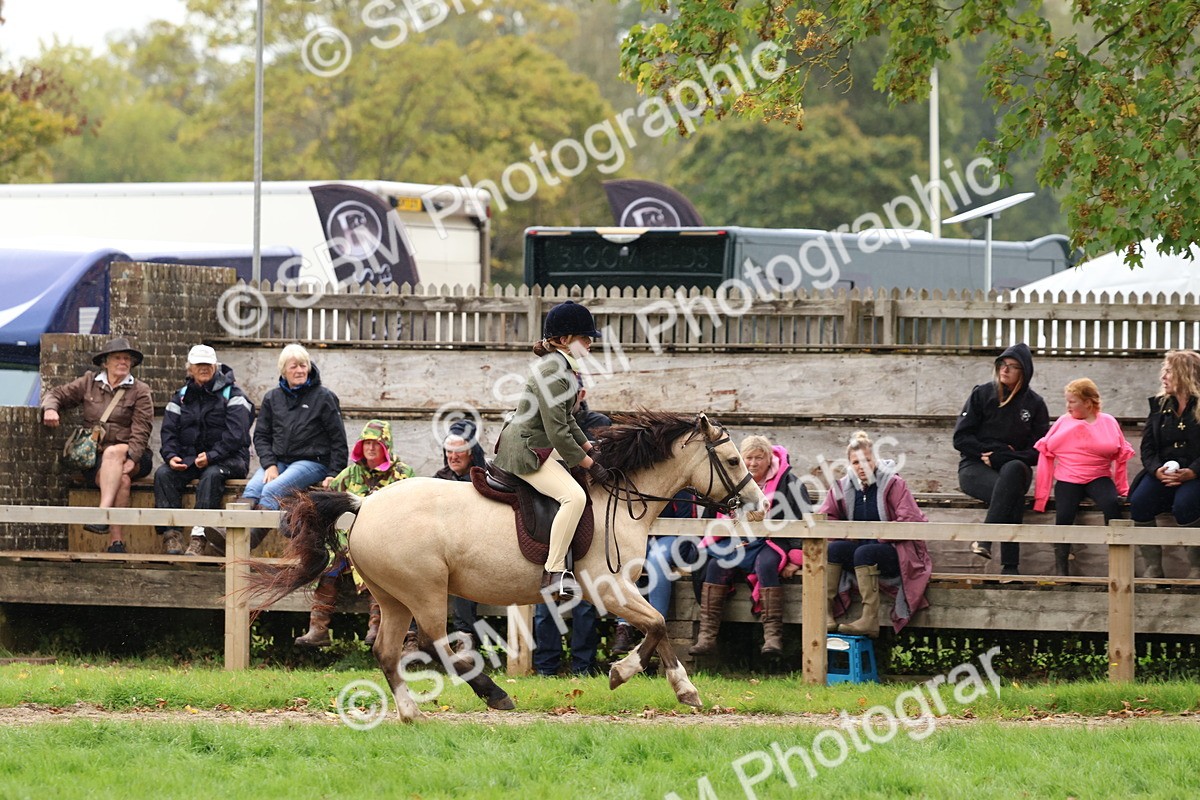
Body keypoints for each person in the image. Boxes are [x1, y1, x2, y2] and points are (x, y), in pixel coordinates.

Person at [493, 300, 609, 600]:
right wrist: (588, 463)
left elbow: (568, 418)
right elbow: (557, 432)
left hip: (539, 441)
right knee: (574, 496)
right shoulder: (554, 372)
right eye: (585, 338)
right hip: (527, 448)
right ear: (564, 340)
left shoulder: (562, 368)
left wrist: (589, 447)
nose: (591, 343)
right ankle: (555, 571)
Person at [295, 419, 414, 647]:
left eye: (376, 444)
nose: (370, 448)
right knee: (329, 566)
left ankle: (377, 627)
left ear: (386, 446)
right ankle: (318, 629)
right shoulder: (349, 475)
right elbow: (326, 503)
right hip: (346, 544)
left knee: (378, 570)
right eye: (366, 443)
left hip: (387, 544)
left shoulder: (403, 474)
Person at [691, 435, 811, 656]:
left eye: (759, 458)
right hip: (737, 541)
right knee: (716, 566)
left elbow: (803, 518)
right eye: (749, 458)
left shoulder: (789, 482)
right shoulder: (733, 479)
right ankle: (707, 638)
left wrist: (796, 557)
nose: (754, 463)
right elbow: (712, 513)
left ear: (769, 459)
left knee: (766, 565)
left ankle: (772, 638)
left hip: (773, 541)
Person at [40, 337, 154, 554]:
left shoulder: (140, 390)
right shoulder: (89, 382)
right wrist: (50, 409)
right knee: (121, 480)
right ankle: (116, 542)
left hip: (134, 456)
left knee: (114, 452)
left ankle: (101, 514)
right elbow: (56, 394)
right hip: (96, 457)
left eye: (127, 359)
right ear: (105, 362)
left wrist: (133, 457)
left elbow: (142, 429)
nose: (123, 362)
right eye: (118, 358)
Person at [818, 431, 932, 638]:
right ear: (850, 464)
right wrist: (845, 534)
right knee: (834, 548)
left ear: (875, 459)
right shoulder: (842, 487)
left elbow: (910, 520)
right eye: (855, 462)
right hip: (860, 552)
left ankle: (869, 620)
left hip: (893, 552)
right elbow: (825, 517)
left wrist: (880, 537)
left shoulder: (894, 484)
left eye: (866, 460)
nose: (861, 466)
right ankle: (825, 614)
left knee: (865, 552)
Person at [954, 342, 1050, 575]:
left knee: (1013, 471)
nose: (1005, 370)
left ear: (1024, 373)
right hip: (975, 466)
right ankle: (1010, 569)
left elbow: (1038, 451)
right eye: (1002, 364)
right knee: (1011, 493)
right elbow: (961, 437)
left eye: (1013, 366)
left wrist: (1003, 457)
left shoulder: (1035, 404)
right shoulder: (982, 393)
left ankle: (985, 539)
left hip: (1016, 467)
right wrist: (986, 453)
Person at [240, 343, 348, 548]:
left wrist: (335, 472)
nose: (299, 370)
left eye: (303, 365)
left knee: (272, 490)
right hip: (279, 461)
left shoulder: (324, 397)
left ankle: (248, 539)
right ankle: (229, 532)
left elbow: (338, 439)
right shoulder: (272, 398)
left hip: (313, 462)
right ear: (283, 371)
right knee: (253, 487)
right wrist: (270, 464)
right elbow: (261, 436)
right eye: (294, 366)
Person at [533, 390, 608, 676]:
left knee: (586, 597)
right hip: (551, 509)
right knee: (548, 595)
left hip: (590, 510)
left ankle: (584, 666)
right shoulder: (545, 420)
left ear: (581, 394)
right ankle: (546, 666)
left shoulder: (598, 423)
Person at [153, 344, 254, 556]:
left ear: (215, 366)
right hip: (193, 459)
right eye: (199, 364)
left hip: (230, 459)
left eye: (207, 364)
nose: (204, 368)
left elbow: (237, 435)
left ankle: (199, 537)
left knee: (211, 475)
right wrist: (171, 456)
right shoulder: (180, 396)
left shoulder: (233, 394)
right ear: (190, 368)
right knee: (164, 474)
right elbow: (169, 432)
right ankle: (172, 536)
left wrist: (211, 456)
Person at [1033, 378, 1134, 575]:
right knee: (1064, 514)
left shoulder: (1108, 421)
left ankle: (1119, 566)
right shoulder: (1063, 422)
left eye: (1072, 401)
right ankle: (1061, 569)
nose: (1067, 406)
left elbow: (1122, 455)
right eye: (1067, 401)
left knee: (1112, 506)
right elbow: (1045, 453)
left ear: (1087, 402)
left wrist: (1123, 488)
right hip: (1069, 477)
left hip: (1099, 475)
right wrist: (1041, 497)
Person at [1129, 350, 1200, 579]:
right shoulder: (1159, 406)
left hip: (1195, 474)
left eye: (1168, 371)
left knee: (1185, 504)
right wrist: (1156, 471)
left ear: (1184, 374)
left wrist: (1192, 472)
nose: (1163, 377)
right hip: (1163, 472)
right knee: (1140, 502)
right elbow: (1147, 448)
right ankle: (1153, 568)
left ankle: (1197, 567)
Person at [434, 419, 488, 649]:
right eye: (449, 451)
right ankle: (415, 637)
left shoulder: (483, 478)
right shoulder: (438, 480)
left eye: (459, 451)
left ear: (471, 452)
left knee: (465, 578)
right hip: (439, 551)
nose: (452, 456)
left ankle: (464, 641)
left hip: (474, 550)